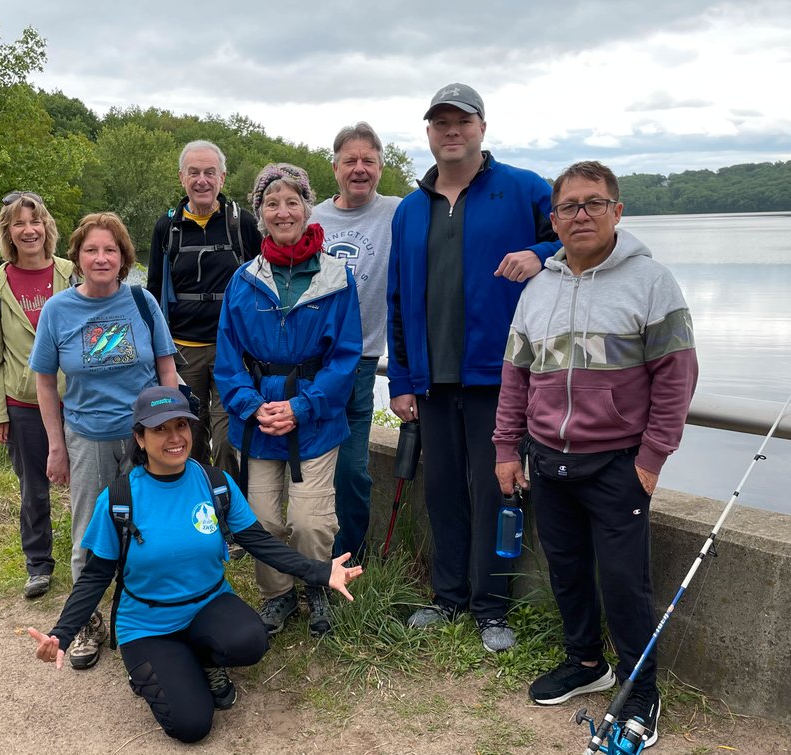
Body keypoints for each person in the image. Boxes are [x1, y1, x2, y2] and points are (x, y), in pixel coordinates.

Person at [27, 386, 364, 744]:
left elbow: (260, 542)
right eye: (160, 429)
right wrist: (61, 634)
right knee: (191, 726)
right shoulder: (120, 498)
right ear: (140, 438)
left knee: (251, 640)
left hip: (208, 603)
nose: (175, 438)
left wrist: (321, 571)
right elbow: (95, 576)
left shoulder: (215, 483)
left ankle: (203, 660)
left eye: (181, 426)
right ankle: (155, 668)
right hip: (148, 624)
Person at [494, 161, 698, 747]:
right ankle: (586, 664)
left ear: (617, 210)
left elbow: (677, 377)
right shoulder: (538, 288)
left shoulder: (651, 282)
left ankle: (640, 691)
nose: (580, 215)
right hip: (548, 458)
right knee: (567, 571)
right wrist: (507, 447)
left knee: (624, 583)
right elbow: (516, 377)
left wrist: (653, 457)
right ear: (553, 219)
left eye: (593, 203)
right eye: (569, 207)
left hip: (617, 461)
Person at [386, 83, 561, 651]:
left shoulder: (523, 189)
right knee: (441, 492)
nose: (451, 130)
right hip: (432, 380)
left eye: (462, 120)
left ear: (482, 128)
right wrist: (403, 380)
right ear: (429, 133)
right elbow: (398, 298)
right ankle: (448, 598)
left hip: (501, 376)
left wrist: (542, 253)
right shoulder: (411, 209)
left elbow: (587, 236)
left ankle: (493, 607)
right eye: (440, 122)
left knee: (497, 491)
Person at [214, 163, 361, 637]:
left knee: (309, 520)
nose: (282, 211)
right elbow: (228, 357)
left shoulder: (336, 278)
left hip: (314, 419)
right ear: (260, 213)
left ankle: (317, 586)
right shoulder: (244, 280)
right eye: (271, 203)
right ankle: (278, 596)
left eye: (292, 201)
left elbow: (345, 358)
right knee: (262, 519)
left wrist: (302, 407)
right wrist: (252, 405)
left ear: (306, 207)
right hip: (257, 420)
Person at [29, 212, 179, 670]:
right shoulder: (58, 311)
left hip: (142, 437)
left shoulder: (142, 302)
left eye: (110, 250)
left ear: (123, 258)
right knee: (89, 535)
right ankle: (87, 624)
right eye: (91, 250)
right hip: (87, 438)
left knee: (149, 529)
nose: (100, 258)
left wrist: (171, 432)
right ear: (76, 256)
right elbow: (46, 383)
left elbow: (167, 368)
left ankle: (146, 613)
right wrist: (56, 445)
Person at [311, 122, 403, 564]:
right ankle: (308, 553)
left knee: (351, 470)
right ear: (335, 168)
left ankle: (352, 558)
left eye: (369, 160)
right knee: (308, 465)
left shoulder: (399, 212)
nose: (360, 168)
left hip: (362, 359)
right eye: (351, 160)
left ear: (381, 168)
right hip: (310, 359)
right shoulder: (311, 217)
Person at [0, 191, 76, 600]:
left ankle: (98, 557)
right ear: (9, 233)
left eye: (34, 222)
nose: (28, 230)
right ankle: (38, 564)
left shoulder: (72, 272)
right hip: (23, 405)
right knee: (33, 489)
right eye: (19, 223)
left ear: (46, 227)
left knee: (89, 484)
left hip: (76, 398)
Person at [147, 141, 261, 479]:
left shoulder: (243, 225)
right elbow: (153, 292)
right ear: (181, 178)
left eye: (209, 172)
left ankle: (230, 516)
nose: (202, 180)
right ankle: (195, 512)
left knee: (229, 442)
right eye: (194, 172)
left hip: (232, 352)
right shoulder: (166, 228)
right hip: (182, 353)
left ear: (222, 178)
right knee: (188, 438)